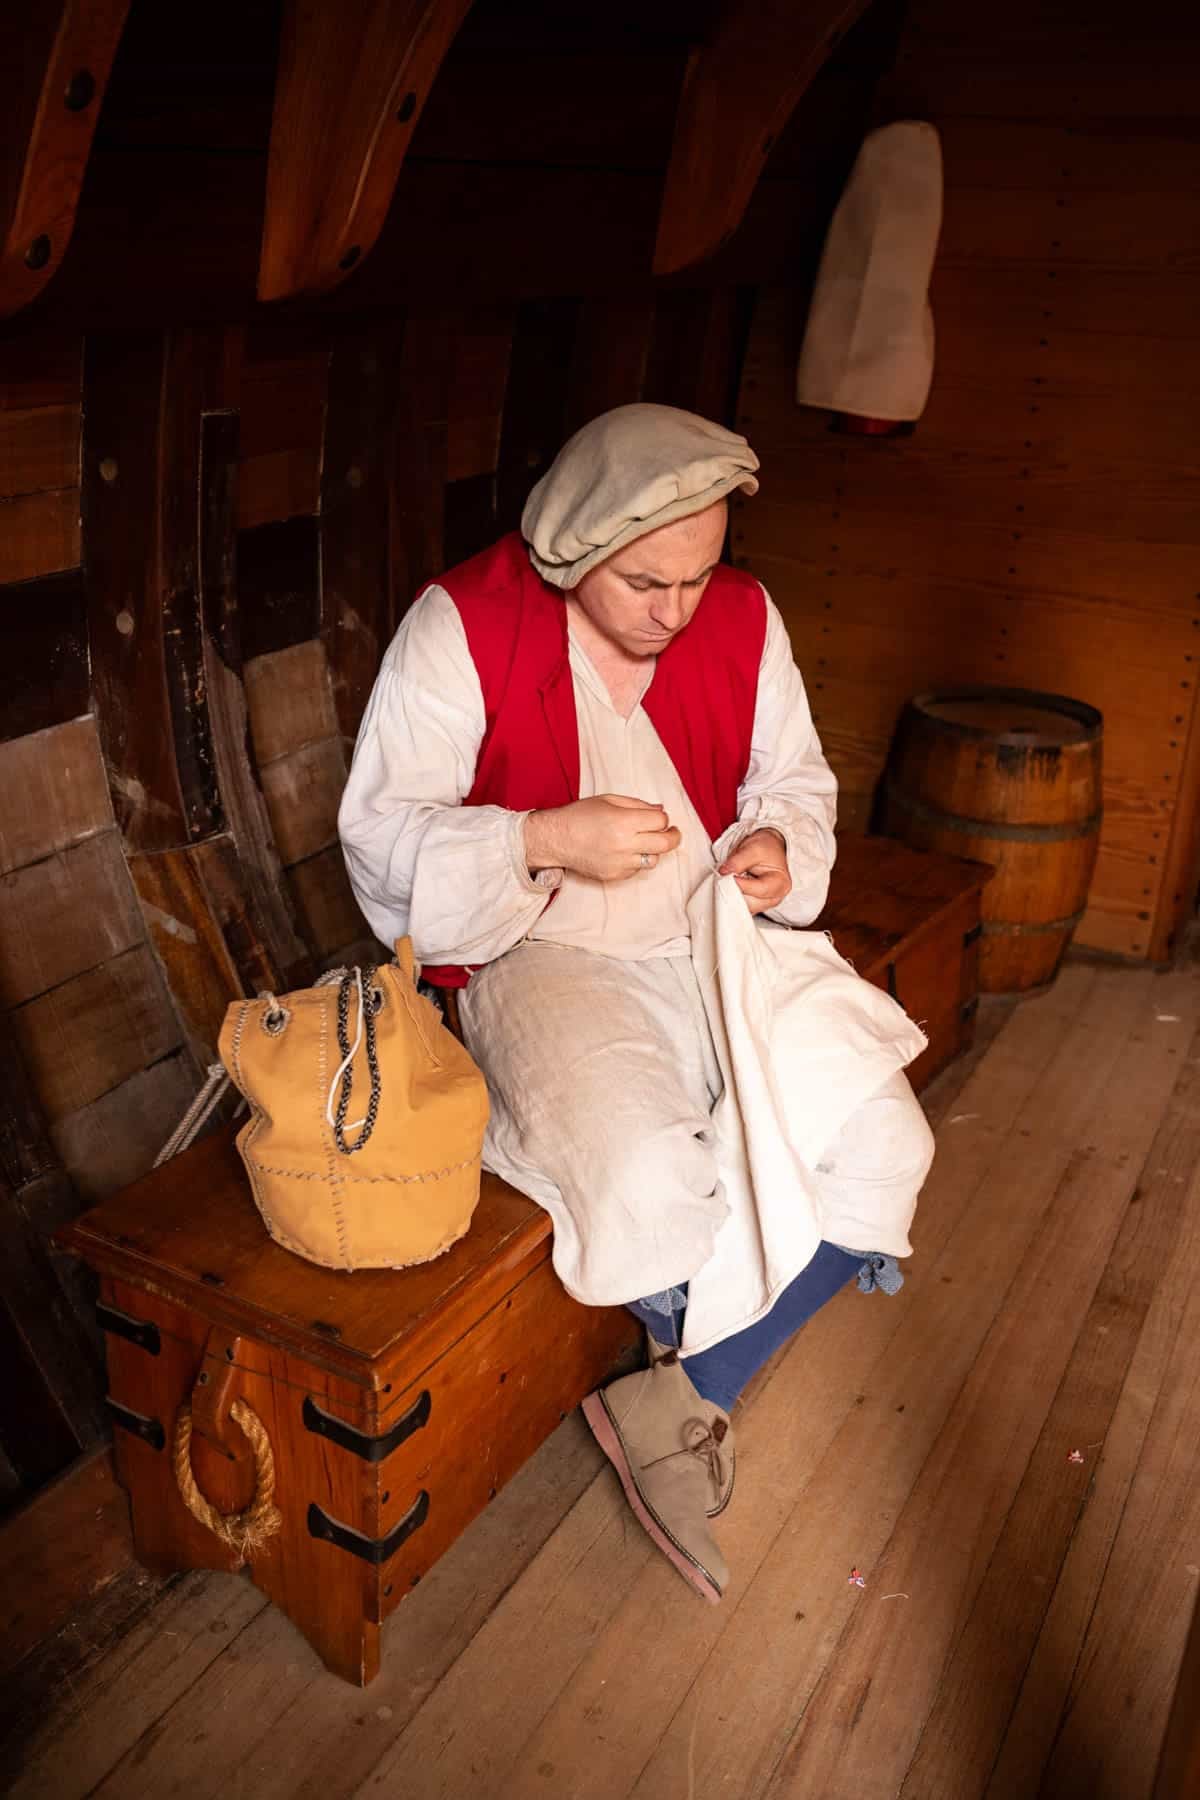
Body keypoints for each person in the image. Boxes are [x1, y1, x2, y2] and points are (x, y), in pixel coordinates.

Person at [339, 404, 934, 1604]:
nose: (676, 610)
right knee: (647, 1179)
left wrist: (775, 842)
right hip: (541, 952)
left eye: (700, 576)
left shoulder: (743, 618)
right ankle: (688, 1393)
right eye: (644, 581)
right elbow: (380, 843)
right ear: (569, 554)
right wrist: (544, 836)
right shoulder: (460, 626)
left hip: (710, 932)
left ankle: (683, 1394)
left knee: (885, 1138)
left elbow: (795, 776)